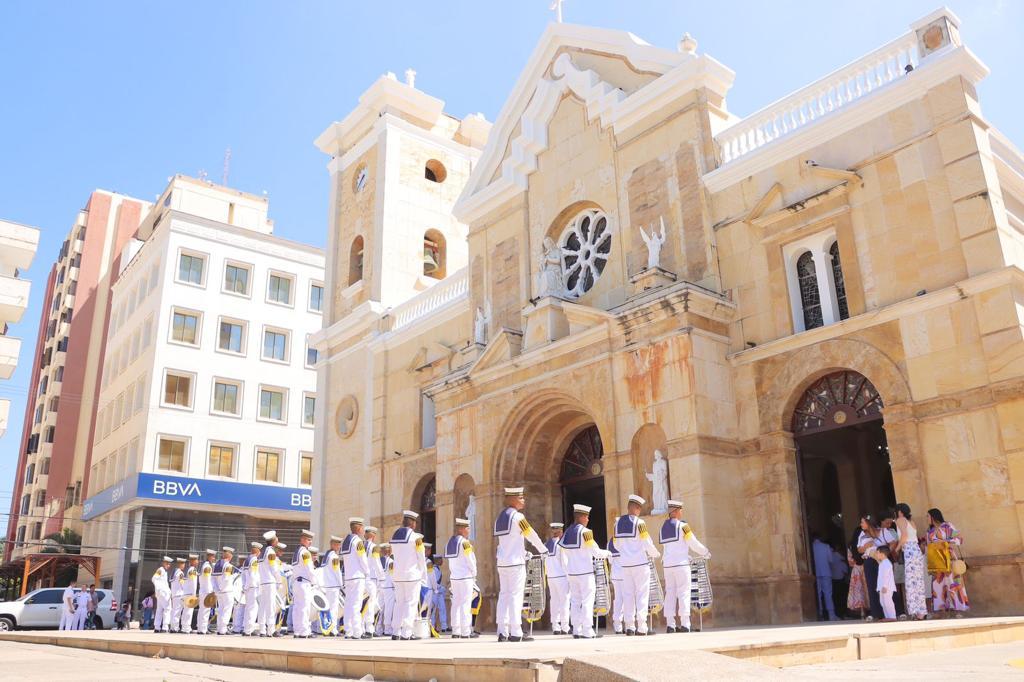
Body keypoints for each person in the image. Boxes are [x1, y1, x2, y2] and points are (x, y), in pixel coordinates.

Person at [493, 486, 547, 642]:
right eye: (521, 497)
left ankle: (502, 631)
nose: (523, 500)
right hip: (515, 564)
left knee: (504, 596)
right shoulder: (518, 517)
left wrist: (524, 553)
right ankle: (516, 632)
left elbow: (508, 543)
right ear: (512, 499)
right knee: (515, 596)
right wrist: (543, 549)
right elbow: (531, 535)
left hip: (503, 563)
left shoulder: (500, 518)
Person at [559, 504, 611, 640]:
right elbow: (596, 551)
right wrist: (608, 553)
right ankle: (588, 630)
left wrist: (567, 570)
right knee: (588, 600)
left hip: (572, 573)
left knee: (575, 601)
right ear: (581, 517)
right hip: (585, 572)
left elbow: (562, 553)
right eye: (586, 517)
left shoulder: (567, 532)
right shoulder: (586, 533)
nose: (588, 519)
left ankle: (576, 629)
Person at [660, 499, 710, 633]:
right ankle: (685, 624)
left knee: (669, 593)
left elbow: (668, 548)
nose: (682, 512)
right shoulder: (683, 526)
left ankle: (670, 624)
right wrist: (705, 552)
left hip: (668, 565)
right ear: (675, 511)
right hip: (681, 565)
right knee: (683, 593)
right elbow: (692, 542)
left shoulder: (663, 527)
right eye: (680, 510)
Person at [613, 494, 661, 636]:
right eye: (639, 508)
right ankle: (641, 626)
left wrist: (625, 553)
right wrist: (656, 554)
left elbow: (616, 544)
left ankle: (629, 626)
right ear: (636, 508)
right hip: (640, 563)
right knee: (642, 594)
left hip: (625, 565)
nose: (639, 511)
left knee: (628, 594)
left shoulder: (618, 523)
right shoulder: (639, 523)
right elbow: (647, 543)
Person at [390, 510, 426, 640]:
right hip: (412, 575)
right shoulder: (416, 538)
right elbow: (421, 558)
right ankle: (407, 632)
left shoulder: (394, 535)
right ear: (413, 524)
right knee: (411, 603)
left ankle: (395, 632)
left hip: (398, 575)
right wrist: (423, 575)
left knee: (399, 603)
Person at [926, 508, 969, 616]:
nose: (926, 518)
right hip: (936, 560)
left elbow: (960, 539)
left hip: (949, 557)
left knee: (953, 583)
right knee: (937, 584)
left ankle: (957, 610)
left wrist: (944, 542)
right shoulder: (929, 531)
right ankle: (941, 610)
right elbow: (928, 546)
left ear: (933, 516)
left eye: (928, 516)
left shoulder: (947, 526)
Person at [444, 518, 478, 639]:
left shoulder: (450, 542)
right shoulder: (465, 543)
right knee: (465, 603)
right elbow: (471, 560)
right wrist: (474, 574)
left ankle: (456, 631)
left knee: (456, 604)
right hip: (465, 577)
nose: (469, 530)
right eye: (468, 528)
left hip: (455, 577)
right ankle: (466, 631)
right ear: (462, 529)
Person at [894, 503, 927, 620]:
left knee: (910, 581)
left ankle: (913, 611)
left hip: (908, 549)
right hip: (916, 550)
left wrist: (897, 549)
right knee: (918, 580)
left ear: (899, 511)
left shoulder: (900, 519)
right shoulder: (912, 522)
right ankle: (921, 611)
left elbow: (904, 535)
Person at [342, 518, 370, 639]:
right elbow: (362, 559)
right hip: (358, 576)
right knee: (356, 604)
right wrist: (367, 573)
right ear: (358, 528)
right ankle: (358, 632)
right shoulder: (358, 541)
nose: (363, 530)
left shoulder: (345, 541)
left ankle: (348, 631)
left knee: (348, 604)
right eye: (362, 528)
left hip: (348, 577)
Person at [856, 515, 885, 621]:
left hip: (880, 560)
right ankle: (876, 612)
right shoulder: (862, 535)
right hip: (869, 560)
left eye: (862, 522)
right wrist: (866, 546)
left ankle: (889, 611)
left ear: (868, 523)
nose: (861, 524)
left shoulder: (879, 532)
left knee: (884, 585)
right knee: (872, 586)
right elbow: (859, 550)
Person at [544, 523, 570, 635]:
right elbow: (564, 562)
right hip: (561, 576)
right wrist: (569, 576)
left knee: (554, 601)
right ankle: (565, 626)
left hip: (551, 576)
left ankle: (555, 626)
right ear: (560, 532)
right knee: (564, 601)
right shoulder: (561, 545)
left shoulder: (546, 544)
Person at [290, 530, 316, 639]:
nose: (310, 542)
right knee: (304, 608)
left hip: (296, 582)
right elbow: (309, 569)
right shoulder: (305, 552)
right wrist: (314, 582)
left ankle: (297, 631)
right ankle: (305, 631)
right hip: (304, 583)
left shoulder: (297, 551)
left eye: (310, 540)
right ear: (303, 540)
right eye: (308, 540)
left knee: (297, 608)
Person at [257, 531, 283, 637]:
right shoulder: (271, 552)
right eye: (276, 538)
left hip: (263, 582)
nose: (277, 539)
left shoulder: (262, 552)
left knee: (262, 606)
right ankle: (271, 630)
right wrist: (279, 580)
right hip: (270, 581)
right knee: (271, 606)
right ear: (273, 541)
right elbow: (274, 569)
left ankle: (262, 629)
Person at [320, 536, 343, 636]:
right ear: (332, 544)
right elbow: (337, 572)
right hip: (333, 585)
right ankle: (333, 630)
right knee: (334, 609)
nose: (339, 547)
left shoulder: (326, 555)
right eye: (337, 544)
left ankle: (326, 629)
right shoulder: (334, 556)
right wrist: (341, 584)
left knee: (327, 609)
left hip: (326, 585)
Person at [812, 534, 838, 621]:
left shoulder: (810, 547)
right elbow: (831, 560)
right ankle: (831, 615)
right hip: (826, 572)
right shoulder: (826, 546)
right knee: (828, 594)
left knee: (818, 594)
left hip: (815, 573)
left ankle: (820, 614)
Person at [363, 526, 383, 637]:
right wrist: (382, 578)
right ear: (373, 535)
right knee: (370, 604)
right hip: (371, 580)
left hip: (362, 579)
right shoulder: (374, 547)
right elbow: (377, 563)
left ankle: (361, 628)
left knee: (362, 604)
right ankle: (369, 629)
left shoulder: (361, 546)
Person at [213, 547, 236, 635]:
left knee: (221, 610)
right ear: (229, 555)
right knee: (227, 610)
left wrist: (217, 589)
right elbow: (226, 579)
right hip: (227, 591)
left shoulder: (217, 565)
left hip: (219, 592)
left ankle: (219, 628)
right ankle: (223, 629)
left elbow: (213, 579)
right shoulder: (228, 566)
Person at [846, 528, 867, 618]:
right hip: (866, 568)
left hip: (856, 570)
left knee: (858, 590)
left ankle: (862, 611)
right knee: (867, 589)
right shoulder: (865, 543)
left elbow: (850, 561)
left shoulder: (850, 546)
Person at [240, 543, 261, 636]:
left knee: (248, 608)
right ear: (257, 551)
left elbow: (243, 575)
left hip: (248, 587)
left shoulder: (246, 560)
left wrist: (245, 586)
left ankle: (246, 629)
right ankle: (249, 630)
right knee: (253, 608)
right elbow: (253, 575)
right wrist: (254, 585)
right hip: (253, 587)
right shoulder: (254, 560)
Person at [377, 543, 395, 637]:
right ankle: (387, 629)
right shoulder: (391, 561)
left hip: (380, 587)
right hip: (389, 588)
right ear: (389, 551)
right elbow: (392, 576)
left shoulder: (378, 561)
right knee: (389, 609)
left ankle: (378, 629)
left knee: (380, 609)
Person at [197, 548, 216, 634]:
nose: (213, 558)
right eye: (212, 557)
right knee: (205, 611)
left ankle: (200, 628)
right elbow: (208, 580)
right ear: (209, 556)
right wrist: (210, 592)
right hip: (206, 591)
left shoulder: (203, 565)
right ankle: (203, 629)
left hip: (203, 591)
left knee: (202, 611)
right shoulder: (207, 566)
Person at [607, 538, 624, 634]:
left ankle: (618, 625)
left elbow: (610, 561)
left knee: (618, 599)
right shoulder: (625, 539)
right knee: (628, 599)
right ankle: (628, 624)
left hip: (615, 574)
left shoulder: (610, 542)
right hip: (626, 574)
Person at [152, 556, 173, 633]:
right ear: (164, 563)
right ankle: (165, 627)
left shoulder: (163, 571)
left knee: (159, 610)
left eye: (169, 564)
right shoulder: (161, 570)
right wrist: (160, 590)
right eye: (167, 564)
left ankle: (157, 627)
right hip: (163, 593)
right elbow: (154, 578)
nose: (169, 566)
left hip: (162, 593)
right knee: (167, 609)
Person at [429, 555, 449, 634]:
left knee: (442, 609)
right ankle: (432, 627)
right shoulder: (434, 569)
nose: (442, 561)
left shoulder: (437, 569)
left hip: (438, 593)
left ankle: (444, 627)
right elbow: (434, 583)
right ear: (437, 560)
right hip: (435, 592)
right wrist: (442, 588)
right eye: (441, 560)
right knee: (433, 611)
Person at [876, 545, 897, 621]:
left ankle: (892, 616)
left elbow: (886, 576)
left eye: (877, 553)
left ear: (882, 554)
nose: (876, 554)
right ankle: (888, 616)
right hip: (882, 587)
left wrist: (884, 586)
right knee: (883, 602)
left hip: (887, 587)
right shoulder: (882, 563)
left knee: (888, 602)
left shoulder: (887, 563)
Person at [829, 543, 849, 619]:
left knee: (835, 598)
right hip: (840, 580)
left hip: (832, 579)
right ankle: (842, 613)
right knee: (842, 598)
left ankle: (837, 613)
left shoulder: (831, 556)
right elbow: (845, 570)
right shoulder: (840, 557)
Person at [180, 554, 199, 634]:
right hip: (190, 593)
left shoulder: (188, 569)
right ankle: (186, 628)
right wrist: (194, 595)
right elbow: (193, 583)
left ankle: (185, 627)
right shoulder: (192, 570)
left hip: (186, 592)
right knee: (188, 612)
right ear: (193, 561)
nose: (197, 562)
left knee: (186, 611)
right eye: (196, 560)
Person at [170, 558, 186, 633]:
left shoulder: (174, 572)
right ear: (180, 564)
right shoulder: (180, 573)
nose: (184, 565)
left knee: (174, 611)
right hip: (179, 594)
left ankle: (173, 627)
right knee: (177, 612)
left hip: (174, 594)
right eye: (183, 564)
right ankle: (175, 628)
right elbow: (182, 584)